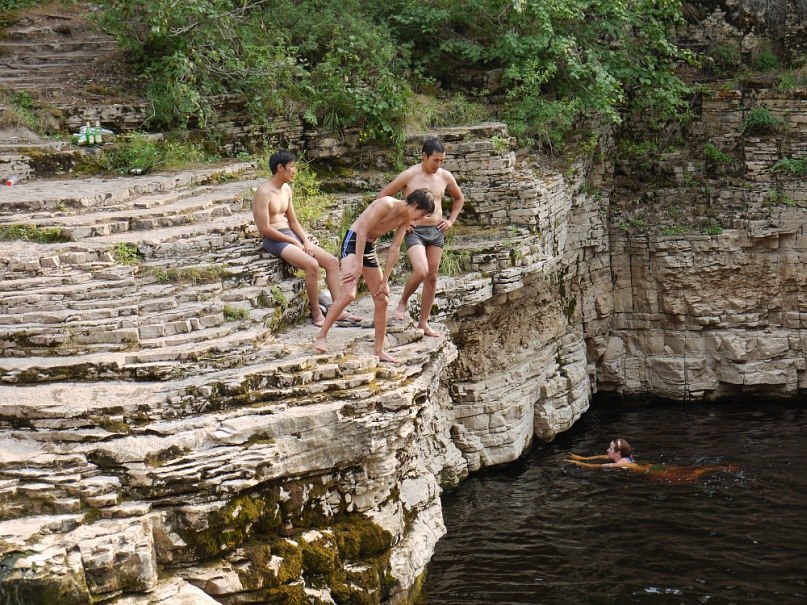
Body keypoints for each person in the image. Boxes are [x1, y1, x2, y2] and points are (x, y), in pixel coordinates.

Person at [313, 189, 435, 363]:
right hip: (354, 241)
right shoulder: (386, 204)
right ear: (415, 205)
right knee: (348, 294)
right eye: (422, 213)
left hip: (369, 248)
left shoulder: (406, 218)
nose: (420, 218)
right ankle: (321, 336)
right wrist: (358, 265)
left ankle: (379, 350)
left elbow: (394, 248)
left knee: (382, 298)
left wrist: (384, 280)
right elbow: (362, 230)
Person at [252, 150, 360, 327]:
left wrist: (305, 240)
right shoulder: (264, 193)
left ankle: (337, 310)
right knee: (312, 265)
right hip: (274, 240)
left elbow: (293, 221)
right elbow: (264, 229)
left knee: (332, 262)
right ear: (280, 168)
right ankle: (316, 313)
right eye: (292, 166)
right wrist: (294, 241)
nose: (294, 170)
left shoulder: (286, 189)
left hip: (290, 234)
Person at [378, 138, 464, 337]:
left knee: (432, 277)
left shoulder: (445, 176)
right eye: (435, 160)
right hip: (414, 230)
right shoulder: (409, 175)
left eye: (442, 160)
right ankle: (403, 302)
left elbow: (459, 198)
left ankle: (423, 323)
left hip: (437, 230)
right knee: (421, 270)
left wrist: (451, 220)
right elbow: (384, 197)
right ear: (423, 156)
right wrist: (402, 221)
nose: (438, 164)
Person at [568, 438, 738, 482]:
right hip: (651, 466)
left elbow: (595, 466)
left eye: (610, 448)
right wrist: (581, 456)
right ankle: (719, 468)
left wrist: (576, 463)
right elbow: (600, 457)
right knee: (688, 469)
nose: (607, 450)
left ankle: (719, 469)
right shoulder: (626, 458)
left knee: (688, 474)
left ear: (617, 453)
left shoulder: (619, 465)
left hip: (650, 471)